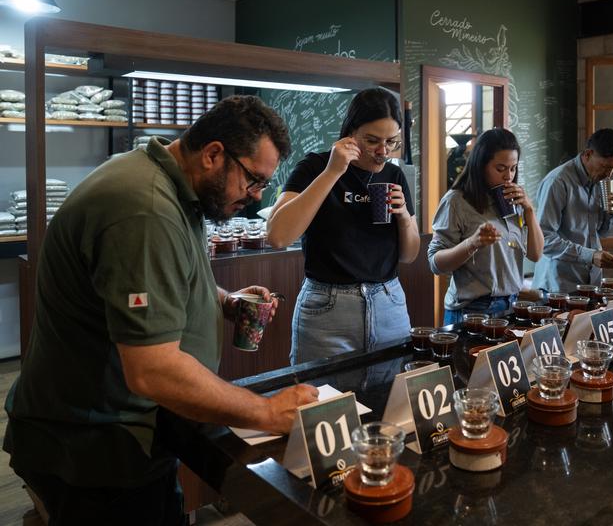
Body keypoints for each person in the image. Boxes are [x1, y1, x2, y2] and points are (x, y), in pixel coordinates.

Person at [4, 95, 319, 525]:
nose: (256, 196)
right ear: (213, 155)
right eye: (253, 181)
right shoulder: (145, 210)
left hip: (124, 433)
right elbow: (152, 369)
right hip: (94, 449)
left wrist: (224, 300)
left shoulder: (167, 179)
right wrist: (267, 412)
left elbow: (159, 279)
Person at [267, 88, 419, 364]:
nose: (382, 152)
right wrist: (333, 172)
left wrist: (404, 217)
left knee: (389, 400)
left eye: (391, 142)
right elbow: (278, 235)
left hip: (389, 303)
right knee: (323, 402)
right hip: (327, 307)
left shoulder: (394, 175)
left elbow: (409, 255)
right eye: (372, 141)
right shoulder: (316, 166)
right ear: (350, 133)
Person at [428, 128, 543, 325]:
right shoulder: (456, 201)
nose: (508, 176)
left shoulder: (512, 199)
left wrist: (529, 210)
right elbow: (435, 263)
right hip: (472, 310)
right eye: (500, 169)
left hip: (511, 304)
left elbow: (535, 254)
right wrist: (472, 243)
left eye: (513, 168)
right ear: (481, 165)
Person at [532, 128, 613, 294]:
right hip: (558, 286)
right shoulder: (558, 182)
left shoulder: (600, 181)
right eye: (604, 166)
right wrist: (591, 255)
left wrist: (612, 214)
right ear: (588, 154)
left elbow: (602, 233)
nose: (608, 174)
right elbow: (543, 239)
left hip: (592, 283)